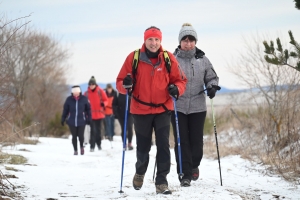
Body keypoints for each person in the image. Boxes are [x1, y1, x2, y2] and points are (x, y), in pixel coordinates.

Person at [116, 26, 187, 195]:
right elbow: (120, 82)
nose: (153, 43)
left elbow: (181, 80)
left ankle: (161, 182)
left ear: (160, 41)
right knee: (143, 148)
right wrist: (126, 85)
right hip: (140, 110)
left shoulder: (168, 58)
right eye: (150, 39)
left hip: (163, 109)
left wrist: (177, 89)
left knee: (163, 146)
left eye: (156, 40)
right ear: (145, 40)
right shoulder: (134, 58)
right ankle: (140, 172)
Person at [171, 23, 219, 187]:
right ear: (180, 41)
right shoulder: (172, 59)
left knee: (196, 141)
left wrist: (212, 87)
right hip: (178, 106)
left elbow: (212, 77)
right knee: (181, 140)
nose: (188, 43)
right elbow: (164, 79)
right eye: (185, 39)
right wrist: (169, 88)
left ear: (195, 41)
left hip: (198, 106)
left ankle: (194, 165)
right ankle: (184, 173)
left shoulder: (203, 59)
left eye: (191, 40)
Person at [61, 85, 91, 155]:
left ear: (80, 92)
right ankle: (75, 150)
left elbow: (88, 109)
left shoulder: (84, 99)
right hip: (71, 121)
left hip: (82, 120)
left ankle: (81, 147)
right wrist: (63, 118)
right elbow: (65, 110)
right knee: (74, 136)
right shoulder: (69, 100)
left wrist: (89, 118)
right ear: (72, 93)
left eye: (77, 92)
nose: (76, 93)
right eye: (74, 92)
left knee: (80, 136)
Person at [84, 76, 108, 152]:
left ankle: (99, 144)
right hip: (91, 115)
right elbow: (83, 102)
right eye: (90, 84)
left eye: (92, 84)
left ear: (95, 84)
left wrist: (103, 104)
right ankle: (92, 146)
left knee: (98, 131)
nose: (91, 86)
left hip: (100, 114)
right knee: (93, 131)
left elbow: (106, 100)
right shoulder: (86, 93)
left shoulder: (100, 91)